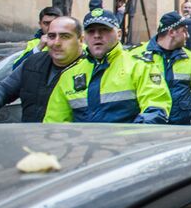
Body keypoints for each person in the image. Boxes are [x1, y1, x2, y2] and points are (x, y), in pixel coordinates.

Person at [43, 8, 172, 123]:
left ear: (119, 34)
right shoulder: (69, 75)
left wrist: (133, 138)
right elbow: (54, 123)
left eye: (104, 30)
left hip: (128, 147)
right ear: (84, 37)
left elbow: (156, 108)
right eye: (91, 31)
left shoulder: (140, 67)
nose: (97, 35)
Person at [0, 15, 84, 124]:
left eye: (65, 36)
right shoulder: (34, 62)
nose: (56, 42)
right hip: (30, 137)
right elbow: (4, 88)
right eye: (51, 36)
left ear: (80, 40)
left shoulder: (89, 69)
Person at [130, 13, 191, 126]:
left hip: (181, 130)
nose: (188, 35)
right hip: (148, 128)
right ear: (171, 32)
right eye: (184, 31)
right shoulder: (136, 56)